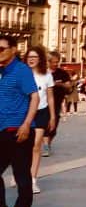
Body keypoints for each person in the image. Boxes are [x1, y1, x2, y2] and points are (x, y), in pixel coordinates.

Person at [0, 34, 39, 207]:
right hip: (2, 129)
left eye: (1, 49)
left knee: (21, 175)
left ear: (13, 49)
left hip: (18, 130)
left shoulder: (21, 70)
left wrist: (26, 124)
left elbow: (34, 97)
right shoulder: (1, 71)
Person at [24, 46, 55, 196]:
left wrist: (53, 115)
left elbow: (50, 97)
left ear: (40, 59)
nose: (31, 59)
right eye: (29, 56)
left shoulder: (47, 75)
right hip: (24, 112)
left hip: (41, 112)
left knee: (36, 145)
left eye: (34, 57)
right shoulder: (22, 73)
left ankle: (33, 179)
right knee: (23, 146)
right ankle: (23, 175)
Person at [43, 52, 71, 156]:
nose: (55, 64)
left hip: (57, 102)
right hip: (43, 102)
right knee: (45, 123)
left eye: (57, 62)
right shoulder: (43, 73)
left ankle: (48, 143)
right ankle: (46, 146)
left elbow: (68, 86)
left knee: (53, 126)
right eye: (53, 62)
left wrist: (60, 84)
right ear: (48, 62)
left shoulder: (62, 73)